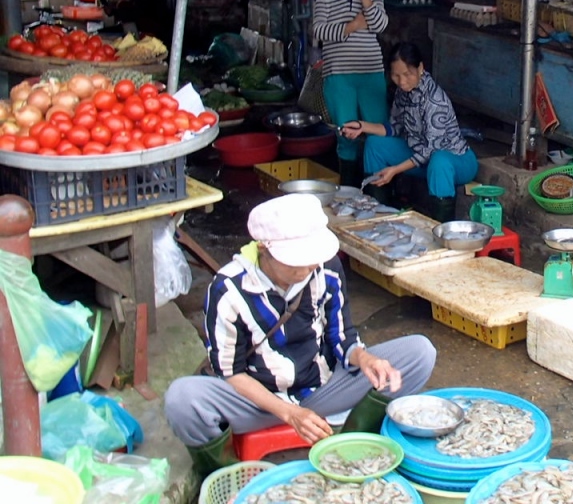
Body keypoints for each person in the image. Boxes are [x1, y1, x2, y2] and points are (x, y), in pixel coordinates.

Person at [164, 194, 436, 477]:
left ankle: (350, 446)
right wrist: (289, 413)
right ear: (263, 249)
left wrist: (364, 358)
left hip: (321, 389)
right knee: (182, 399)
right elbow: (232, 373)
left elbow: (340, 334)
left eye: (312, 258)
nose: (308, 267)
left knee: (419, 353)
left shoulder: (325, 267)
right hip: (257, 402)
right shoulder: (228, 290)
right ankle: (228, 474)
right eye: (296, 260)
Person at [343, 42, 478, 223]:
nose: (402, 81)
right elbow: (395, 127)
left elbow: (430, 150)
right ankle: (377, 217)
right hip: (420, 157)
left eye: (407, 74)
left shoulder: (434, 99)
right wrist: (362, 126)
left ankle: (442, 229)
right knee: (374, 144)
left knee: (439, 161)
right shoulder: (403, 92)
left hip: (456, 161)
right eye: (395, 75)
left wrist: (396, 170)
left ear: (420, 68)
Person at [312, 0, 389, 187]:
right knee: (347, 133)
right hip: (338, 76)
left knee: (378, 131)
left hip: (371, 72)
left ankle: (378, 190)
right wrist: (352, 26)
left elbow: (379, 25)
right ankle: (349, 190)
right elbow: (320, 31)